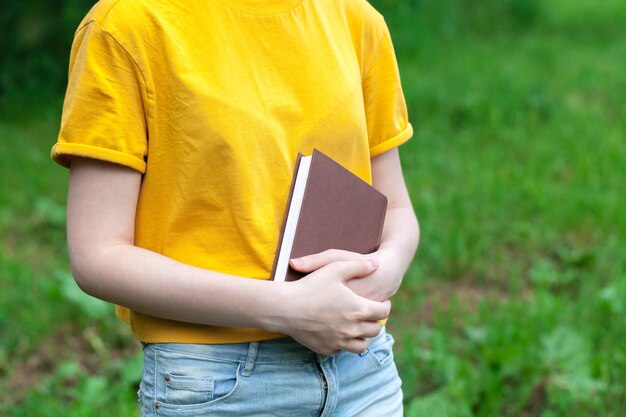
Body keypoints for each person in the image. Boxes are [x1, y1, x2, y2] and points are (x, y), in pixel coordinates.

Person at [52, 0, 419, 415]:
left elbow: (396, 211)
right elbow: (98, 257)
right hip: (218, 383)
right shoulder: (127, 25)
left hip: (363, 370)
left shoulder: (357, 19)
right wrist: (288, 308)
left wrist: (383, 272)